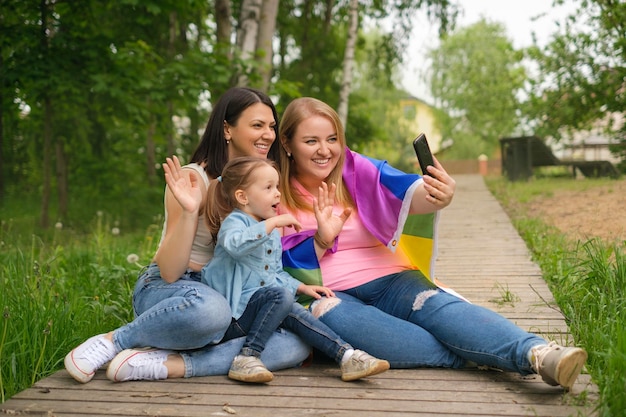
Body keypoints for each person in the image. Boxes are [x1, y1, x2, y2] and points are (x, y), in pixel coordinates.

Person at [276, 97, 588, 391]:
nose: (325, 150)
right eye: (311, 141)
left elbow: (409, 195)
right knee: (330, 315)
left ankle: (539, 355)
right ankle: (473, 352)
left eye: (332, 139)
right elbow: (268, 260)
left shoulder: (357, 169)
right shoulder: (271, 189)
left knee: (437, 307)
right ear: (287, 144)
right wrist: (320, 240)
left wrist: (440, 194)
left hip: (392, 280)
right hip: (328, 294)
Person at [64, 87, 310, 384]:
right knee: (211, 312)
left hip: (229, 295)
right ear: (226, 129)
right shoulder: (194, 178)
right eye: (257, 125)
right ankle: (113, 341)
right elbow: (169, 271)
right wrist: (192, 212)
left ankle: (169, 363)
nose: (268, 135)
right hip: (176, 290)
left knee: (297, 343)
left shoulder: (264, 187)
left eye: (271, 126)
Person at [200, 156, 390, 383]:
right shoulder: (235, 223)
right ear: (243, 196)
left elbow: (276, 275)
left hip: (262, 312)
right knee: (280, 297)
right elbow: (235, 246)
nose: (278, 193)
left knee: (290, 305)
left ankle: (347, 356)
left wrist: (302, 287)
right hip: (234, 318)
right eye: (269, 188)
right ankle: (247, 356)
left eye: (277, 186)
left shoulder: (269, 232)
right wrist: (272, 224)